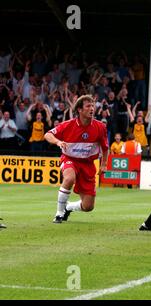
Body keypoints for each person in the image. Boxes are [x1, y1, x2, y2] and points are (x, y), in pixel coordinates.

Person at [44, 95, 109, 223]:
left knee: (88, 206)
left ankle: (68, 207)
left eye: (93, 106)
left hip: (88, 164)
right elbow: (48, 134)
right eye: (88, 106)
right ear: (79, 109)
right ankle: (59, 213)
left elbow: (105, 147)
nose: (92, 109)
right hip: (70, 159)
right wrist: (58, 142)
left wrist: (104, 164)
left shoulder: (100, 127)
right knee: (69, 178)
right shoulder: (68, 125)